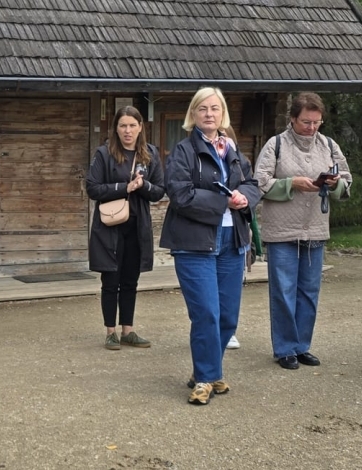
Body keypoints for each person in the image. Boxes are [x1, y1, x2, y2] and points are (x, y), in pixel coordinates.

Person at [160, 87, 261, 404]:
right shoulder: (182, 152)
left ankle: (207, 370)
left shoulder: (232, 150)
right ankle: (205, 378)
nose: (208, 113)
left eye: (214, 108)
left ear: (222, 114)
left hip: (231, 242)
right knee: (206, 313)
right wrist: (223, 201)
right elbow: (181, 194)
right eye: (202, 108)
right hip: (194, 244)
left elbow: (252, 183)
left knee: (228, 316)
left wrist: (245, 197)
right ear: (193, 114)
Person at [254, 92, 352, 369]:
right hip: (282, 231)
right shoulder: (276, 145)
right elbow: (259, 183)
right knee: (284, 291)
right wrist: (290, 184)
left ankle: (301, 346)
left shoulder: (330, 145)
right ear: (293, 119)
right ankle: (284, 348)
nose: (311, 128)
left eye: (317, 122)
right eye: (306, 122)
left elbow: (347, 179)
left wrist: (334, 184)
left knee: (309, 291)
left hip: (316, 230)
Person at [86, 105, 166, 349]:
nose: (128, 130)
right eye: (123, 126)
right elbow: (93, 188)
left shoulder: (150, 154)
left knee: (131, 280)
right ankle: (111, 331)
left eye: (132, 125)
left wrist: (144, 186)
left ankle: (128, 330)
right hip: (109, 227)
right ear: (116, 129)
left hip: (137, 227)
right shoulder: (104, 154)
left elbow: (160, 191)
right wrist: (124, 188)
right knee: (110, 279)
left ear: (141, 127)